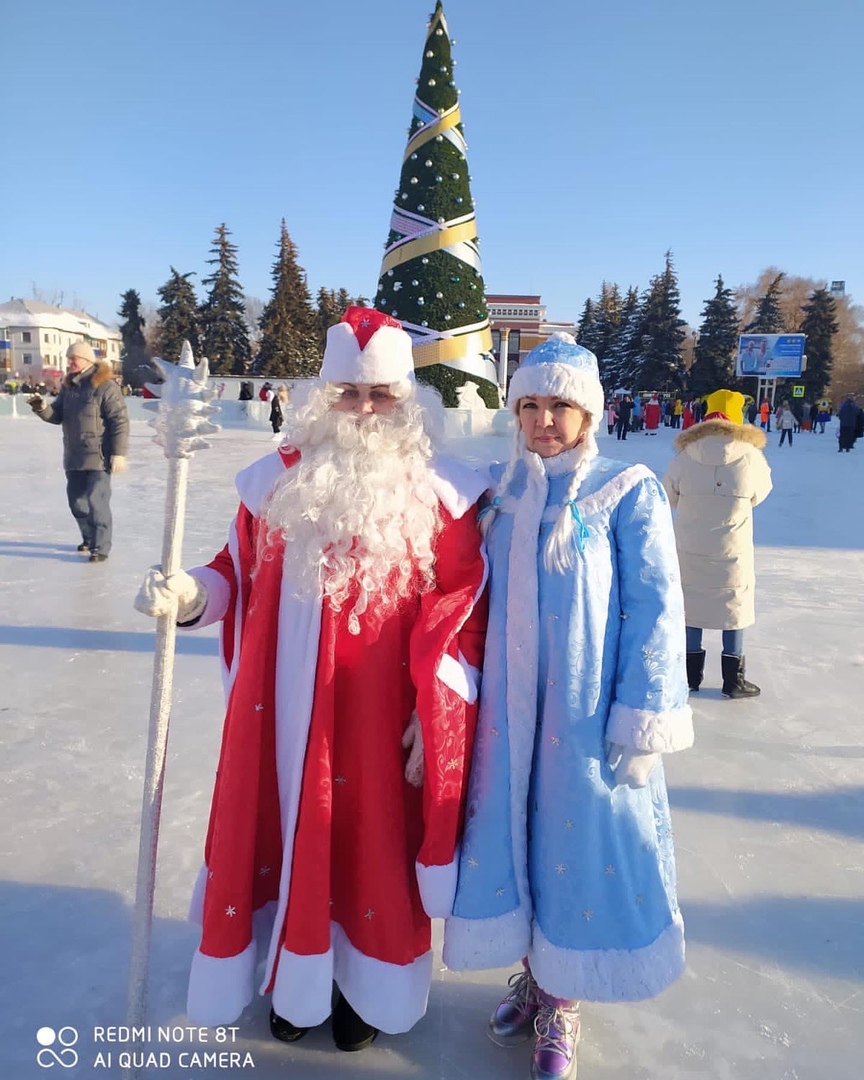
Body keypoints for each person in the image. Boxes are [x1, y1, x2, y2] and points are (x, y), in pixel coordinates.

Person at [134, 308, 488, 1050]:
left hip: (381, 712)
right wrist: (191, 593)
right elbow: (233, 571)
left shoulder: (445, 496)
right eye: (349, 392)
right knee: (283, 831)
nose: (363, 409)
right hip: (283, 709)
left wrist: (436, 712)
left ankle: (365, 988)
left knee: (370, 844)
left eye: (381, 394)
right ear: (323, 396)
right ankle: (295, 981)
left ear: (408, 400)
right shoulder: (274, 482)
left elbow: (466, 611)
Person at [443, 333, 693, 1080]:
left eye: (560, 406)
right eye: (530, 405)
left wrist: (643, 713)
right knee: (514, 838)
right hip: (505, 714)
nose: (543, 420)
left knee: (574, 843)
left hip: (584, 719)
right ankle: (533, 974)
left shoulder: (626, 489)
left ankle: (564, 999)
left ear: (588, 414)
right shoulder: (499, 491)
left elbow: (655, 606)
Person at [662, 389, 772, 699]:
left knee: (691, 605)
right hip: (732, 548)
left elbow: (667, 494)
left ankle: (689, 675)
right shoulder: (751, 456)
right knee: (734, 605)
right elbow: (760, 493)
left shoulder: (685, 455)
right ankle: (733, 679)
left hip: (690, 547)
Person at [27, 341, 129, 562]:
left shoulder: (105, 386)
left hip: (99, 456)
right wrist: (42, 408)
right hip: (74, 456)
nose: (70, 362)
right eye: (69, 358)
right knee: (77, 503)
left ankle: (100, 547)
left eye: (74, 358)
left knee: (96, 501)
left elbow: (119, 421)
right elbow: (57, 415)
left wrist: (119, 453)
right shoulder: (69, 387)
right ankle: (89, 539)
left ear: (87, 360)